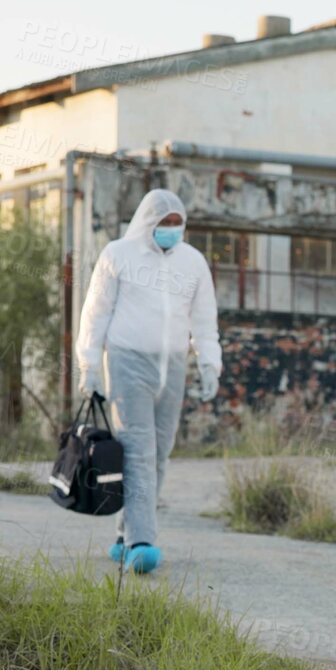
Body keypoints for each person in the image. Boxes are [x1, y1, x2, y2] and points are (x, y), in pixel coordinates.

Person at [73, 189, 222, 574]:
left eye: (177, 224)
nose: (171, 230)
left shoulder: (193, 262)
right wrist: (89, 365)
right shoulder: (118, 255)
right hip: (127, 362)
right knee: (138, 449)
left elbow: (204, 320)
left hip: (171, 366)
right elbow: (96, 313)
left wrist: (209, 364)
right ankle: (143, 542)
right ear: (147, 221)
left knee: (160, 452)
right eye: (164, 223)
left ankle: (125, 533)